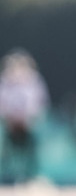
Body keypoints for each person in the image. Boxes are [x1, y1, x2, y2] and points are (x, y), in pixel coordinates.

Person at [0, 49, 49, 184]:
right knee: (6, 147)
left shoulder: (34, 82)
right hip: (10, 124)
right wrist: (9, 119)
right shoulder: (4, 83)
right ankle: (6, 173)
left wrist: (29, 119)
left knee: (32, 146)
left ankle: (31, 174)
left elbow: (40, 103)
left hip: (28, 124)